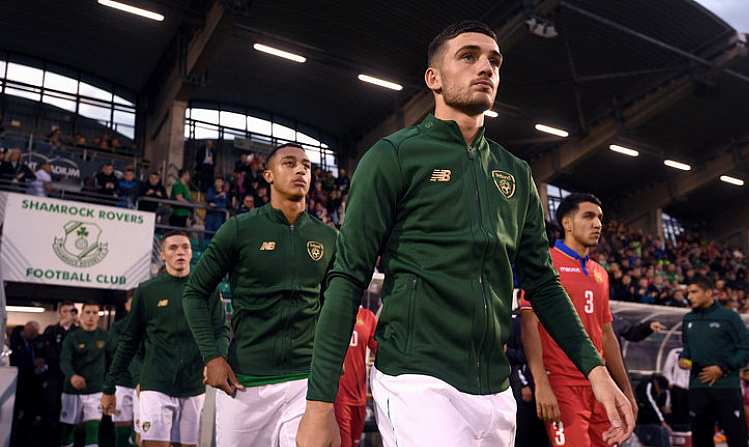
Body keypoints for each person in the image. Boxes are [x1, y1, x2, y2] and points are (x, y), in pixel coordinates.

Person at [297, 21, 633, 447]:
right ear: (433, 79)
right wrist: (318, 404)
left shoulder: (516, 173)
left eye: (495, 60)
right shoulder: (393, 157)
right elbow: (347, 278)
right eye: (469, 56)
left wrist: (596, 371)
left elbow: (544, 285)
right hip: (416, 378)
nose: (486, 67)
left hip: (495, 388)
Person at [183, 143, 338, 447]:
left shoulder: (329, 238)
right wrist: (212, 355)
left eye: (306, 166)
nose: (300, 170)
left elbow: (335, 307)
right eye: (290, 163)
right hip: (245, 384)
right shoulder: (240, 229)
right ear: (268, 175)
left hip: (305, 383)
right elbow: (195, 292)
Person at [520, 193, 636, 447]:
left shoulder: (600, 274)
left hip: (600, 386)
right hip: (562, 384)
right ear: (567, 223)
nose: (597, 224)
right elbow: (529, 324)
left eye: (600, 218)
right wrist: (541, 383)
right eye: (588, 216)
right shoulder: (546, 263)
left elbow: (607, 334)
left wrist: (625, 389)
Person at [102, 231, 225, 447]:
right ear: (162, 254)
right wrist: (109, 387)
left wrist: (216, 359)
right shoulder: (147, 291)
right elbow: (129, 342)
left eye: (185, 247)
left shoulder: (209, 289)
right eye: (173, 248)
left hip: (194, 385)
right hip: (155, 384)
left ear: (191, 254)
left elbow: (221, 331)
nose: (180, 252)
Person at [679, 275, 749, 447]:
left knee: (737, 439)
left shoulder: (729, 317)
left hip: (726, 387)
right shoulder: (688, 319)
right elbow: (687, 348)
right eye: (688, 292)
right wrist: (683, 358)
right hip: (698, 388)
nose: (689, 296)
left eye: (694, 292)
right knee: (701, 440)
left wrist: (722, 368)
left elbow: (747, 348)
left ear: (708, 293)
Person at [60, 301, 108, 447]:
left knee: (93, 428)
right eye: (88, 312)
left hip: (96, 390)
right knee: (67, 430)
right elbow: (64, 360)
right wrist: (72, 376)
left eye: (95, 313)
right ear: (81, 315)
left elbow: (114, 360)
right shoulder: (72, 337)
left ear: (99, 317)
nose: (91, 316)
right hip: (72, 390)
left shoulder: (105, 336)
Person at [335, 305, 378, 447]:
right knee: (345, 443)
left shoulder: (368, 317)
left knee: (356, 443)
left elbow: (378, 349)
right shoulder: (335, 314)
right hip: (339, 395)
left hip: (360, 395)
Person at [507, 312, 548, 447]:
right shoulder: (516, 323)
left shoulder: (546, 322)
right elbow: (511, 354)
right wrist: (523, 384)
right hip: (524, 382)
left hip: (542, 382)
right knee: (523, 431)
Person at [42, 301, 80, 444]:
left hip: (70, 379)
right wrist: (60, 328)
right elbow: (44, 350)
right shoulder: (51, 330)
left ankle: (66, 441)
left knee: (69, 413)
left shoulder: (78, 331)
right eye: (65, 311)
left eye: (71, 311)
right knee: (51, 409)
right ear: (59, 313)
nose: (68, 315)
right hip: (54, 377)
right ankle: (48, 440)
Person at [105, 293, 137, 447]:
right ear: (126, 305)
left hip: (144, 384)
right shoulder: (118, 327)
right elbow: (114, 351)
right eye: (133, 301)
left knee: (142, 427)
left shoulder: (151, 325)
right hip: (122, 383)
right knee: (121, 425)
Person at [9, 321, 45, 446]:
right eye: (32, 333)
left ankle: (24, 439)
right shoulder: (14, 343)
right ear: (26, 330)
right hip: (17, 384)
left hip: (30, 385)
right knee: (14, 415)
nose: (34, 336)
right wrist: (32, 364)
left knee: (28, 415)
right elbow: (14, 363)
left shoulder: (32, 343)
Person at [634, 374, 672, 447]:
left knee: (664, 431)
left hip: (650, 422)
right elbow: (650, 402)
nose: (660, 393)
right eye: (661, 390)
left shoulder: (655, 392)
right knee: (659, 431)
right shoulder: (648, 385)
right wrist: (662, 421)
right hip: (642, 423)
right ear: (657, 385)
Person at [662, 346, 690, 430]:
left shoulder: (696, 351)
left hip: (691, 387)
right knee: (677, 412)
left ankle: (688, 432)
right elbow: (667, 369)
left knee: (689, 412)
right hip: (677, 386)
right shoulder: (675, 351)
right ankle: (677, 431)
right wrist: (671, 382)